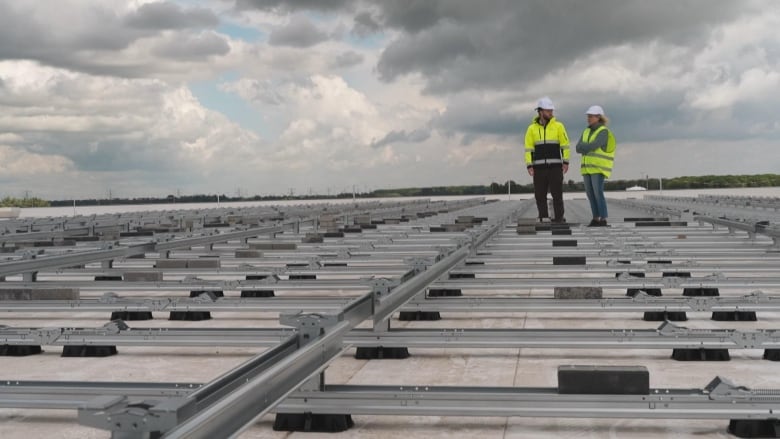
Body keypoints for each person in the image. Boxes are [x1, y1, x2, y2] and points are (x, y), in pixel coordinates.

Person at [524, 97, 570, 222]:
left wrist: (565, 162)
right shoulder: (531, 129)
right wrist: (529, 165)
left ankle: (559, 218)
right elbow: (528, 149)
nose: (551, 112)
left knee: (557, 194)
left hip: (555, 167)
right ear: (540, 112)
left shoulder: (559, 126)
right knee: (539, 195)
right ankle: (543, 217)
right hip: (538, 168)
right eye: (548, 110)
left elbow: (565, 145)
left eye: (551, 110)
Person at [575, 105, 616, 227]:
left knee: (598, 193)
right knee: (590, 194)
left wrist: (585, 147)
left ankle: (603, 218)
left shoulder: (603, 131)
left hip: (598, 168)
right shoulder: (586, 131)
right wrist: (585, 147)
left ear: (598, 117)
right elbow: (578, 148)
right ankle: (595, 218)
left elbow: (594, 145)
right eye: (588, 116)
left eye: (591, 116)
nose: (588, 118)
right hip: (587, 168)